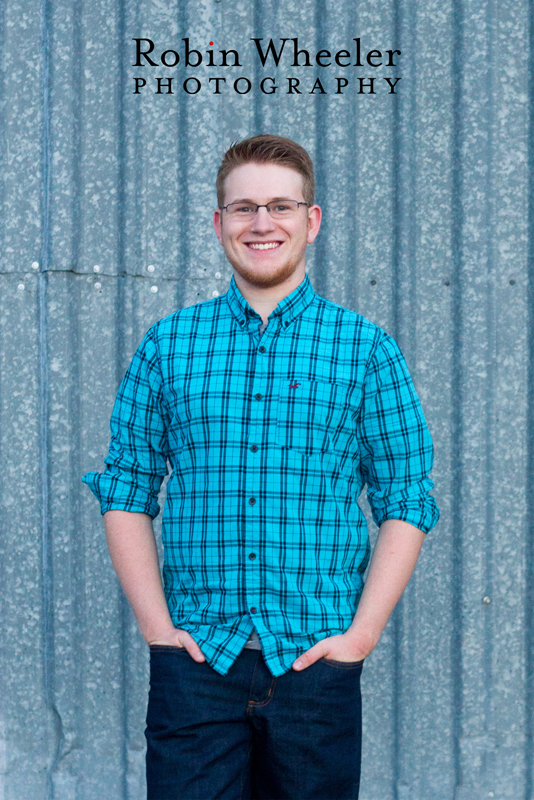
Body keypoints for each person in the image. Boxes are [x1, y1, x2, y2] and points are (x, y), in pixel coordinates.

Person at [82, 133, 440, 800]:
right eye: (243, 208)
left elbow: (407, 499)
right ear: (219, 223)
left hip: (316, 668)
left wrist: (360, 638)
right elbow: (126, 489)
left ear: (312, 220)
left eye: (280, 205)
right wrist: (159, 632)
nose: (262, 223)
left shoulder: (366, 349)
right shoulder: (169, 344)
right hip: (196, 667)